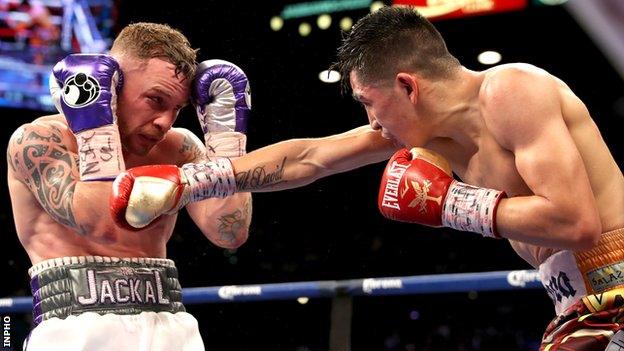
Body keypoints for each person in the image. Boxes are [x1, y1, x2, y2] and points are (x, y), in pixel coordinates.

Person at [110, 7, 624, 351]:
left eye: (370, 103)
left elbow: (576, 222)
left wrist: (450, 204)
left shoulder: (512, 89)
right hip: (574, 304)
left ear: (407, 86)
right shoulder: (432, 132)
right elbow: (308, 158)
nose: (373, 123)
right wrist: (189, 183)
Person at [7, 22, 252, 350]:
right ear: (112, 84)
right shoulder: (40, 141)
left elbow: (229, 232)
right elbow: (101, 225)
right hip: (75, 327)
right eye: (155, 100)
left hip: (170, 326)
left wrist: (226, 142)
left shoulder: (180, 149)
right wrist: (97, 128)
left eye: (176, 108)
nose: (165, 121)